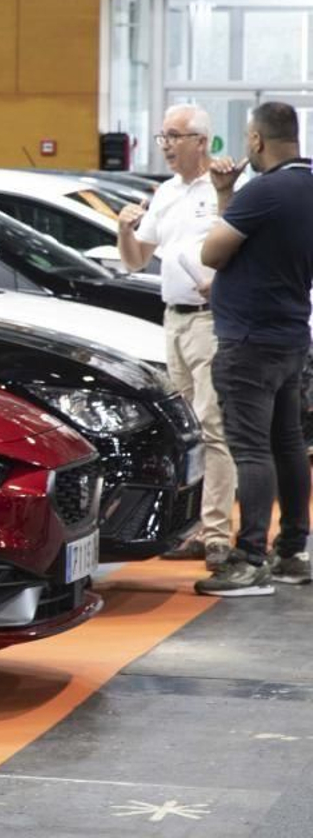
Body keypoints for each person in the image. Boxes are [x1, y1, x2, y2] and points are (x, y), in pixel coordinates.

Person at [195, 101, 313, 596]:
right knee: (288, 444)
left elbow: (212, 253)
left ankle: (248, 559)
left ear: (257, 140)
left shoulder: (265, 191)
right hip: (290, 335)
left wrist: (231, 198)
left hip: (248, 341)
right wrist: (226, 195)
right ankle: (294, 550)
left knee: (251, 448)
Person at [116, 104, 236, 571]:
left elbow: (239, 250)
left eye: (174, 135)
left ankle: (218, 532)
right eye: (163, 135)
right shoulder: (165, 192)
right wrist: (123, 228)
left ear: (201, 142)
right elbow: (133, 260)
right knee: (190, 427)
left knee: (213, 425)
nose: (165, 144)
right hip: (175, 318)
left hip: (210, 318)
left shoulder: (224, 190)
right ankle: (195, 528)